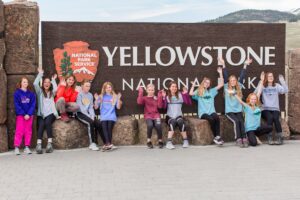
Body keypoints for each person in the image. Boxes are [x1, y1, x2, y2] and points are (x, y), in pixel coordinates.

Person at [220, 57, 252, 147]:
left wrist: (245, 64)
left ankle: (244, 138)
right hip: (230, 111)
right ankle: (238, 139)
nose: (233, 82)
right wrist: (223, 64)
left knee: (241, 121)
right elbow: (225, 74)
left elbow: (242, 75)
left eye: (234, 80)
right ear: (229, 82)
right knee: (236, 121)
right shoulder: (226, 87)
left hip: (238, 110)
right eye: (231, 81)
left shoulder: (239, 87)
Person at [189, 67, 224, 145]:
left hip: (211, 111)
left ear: (209, 84)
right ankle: (216, 136)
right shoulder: (199, 91)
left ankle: (217, 137)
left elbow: (221, 84)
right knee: (211, 119)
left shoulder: (212, 91)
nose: (207, 84)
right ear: (203, 83)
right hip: (203, 113)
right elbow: (191, 94)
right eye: (205, 82)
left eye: (208, 83)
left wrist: (220, 73)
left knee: (216, 118)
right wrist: (194, 85)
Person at [256, 71, 288, 145]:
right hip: (265, 108)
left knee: (276, 118)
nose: (270, 77)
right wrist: (261, 80)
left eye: (272, 76)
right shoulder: (263, 86)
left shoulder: (276, 86)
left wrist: (282, 81)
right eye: (269, 76)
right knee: (270, 117)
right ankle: (269, 137)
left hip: (275, 108)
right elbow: (257, 92)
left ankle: (280, 137)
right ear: (266, 78)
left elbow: (285, 91)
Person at [34, 67, 59, 154]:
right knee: (41, 124)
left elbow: (56, 89)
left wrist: (53, 80)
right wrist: (40, 74)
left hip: (51, 113)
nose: (47, 84)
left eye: (48, 82)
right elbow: (35, 84)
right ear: (43, 83)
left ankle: (49, 143)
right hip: (41, 114)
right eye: (45, 82)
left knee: (47, 122)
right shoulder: (39, 92)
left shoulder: (52, 93)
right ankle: (39, 144)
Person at [162, 81, 192, 150]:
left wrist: (186, 94)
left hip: (178, 115)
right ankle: (169, 143)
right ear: (169, 88)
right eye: (172, 86)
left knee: (181, 122)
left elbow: (188, 103)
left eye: (175, 87)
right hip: (170, 116)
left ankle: (185, 140)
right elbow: (163, 107)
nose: (174, 88)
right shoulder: (167, 96)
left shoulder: (180, 95)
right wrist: (163, 98)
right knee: (173, 122)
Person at [76, 80, 104, 151]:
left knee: (98, 123)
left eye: (89, 86)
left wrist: (92, 115)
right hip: (80, 113)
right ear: (82, 86)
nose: (88, 87)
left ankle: (106, 142)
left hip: (88, 114)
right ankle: (92, 143)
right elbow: (81, 108)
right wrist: (89, 117)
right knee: (90, 123)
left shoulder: (90, 95)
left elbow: (91, 107)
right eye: (86, 86)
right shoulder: (79, 94)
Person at [94, 82, 122, 151]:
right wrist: (96, 99)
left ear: (111, 88)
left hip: (111, 115)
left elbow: (118, 107)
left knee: (109, 128)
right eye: (106, 88)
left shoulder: (114, 96)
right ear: (104, 89)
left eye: (109, 87)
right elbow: (96, 107)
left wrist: (118, 99)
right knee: (104, 128)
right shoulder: (101, 96)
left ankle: (107, 144)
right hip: (103, 116)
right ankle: (109, 144)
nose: (108, 89)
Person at [14, 77, 36, 155]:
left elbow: (33, 104)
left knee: (28, 131)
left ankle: (27, 147)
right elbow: (17, 104)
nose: (25, 83)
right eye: (24, 82)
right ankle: (17, 147)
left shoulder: (31, 94)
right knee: (19, 131)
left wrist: (29, 114)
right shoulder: (17, 93)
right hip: (20, 115)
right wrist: (23, 114)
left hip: (29, 116)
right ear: (20, 83)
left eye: (26, 82)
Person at [137, 84, 164, 149]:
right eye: (149, 90)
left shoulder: (156, 97)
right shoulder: (144, 98)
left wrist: (160, 96)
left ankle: (160, 140)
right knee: (150, 125)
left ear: (154, 90)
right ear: (147, 90)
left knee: (158, 125)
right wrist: (140, 92)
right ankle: (148, 141)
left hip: (156, 115)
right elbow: (139, 102)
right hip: (148, 115)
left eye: (152, 90)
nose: (151, 91)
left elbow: (160, 106)